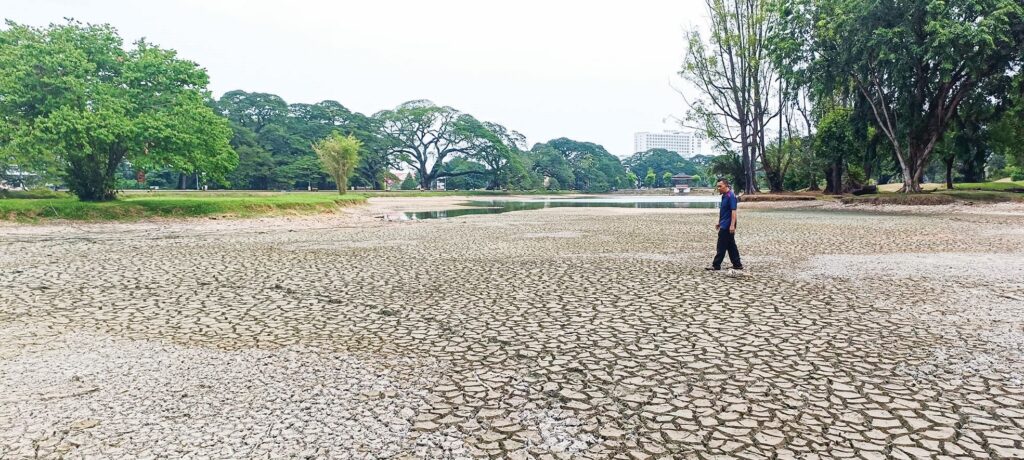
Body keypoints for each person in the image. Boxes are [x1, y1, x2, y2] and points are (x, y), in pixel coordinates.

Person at [706, 179, 743, 271]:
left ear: (726, 186)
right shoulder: (724, 196)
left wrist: (732, 225)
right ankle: (737, 264)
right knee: (731, 245)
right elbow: (723, 211)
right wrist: (719, 222)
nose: (718, 188)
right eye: (717, 186)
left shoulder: (731, 196)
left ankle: (716, 265)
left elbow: (733, 211)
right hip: (723, 223)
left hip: (727, 225)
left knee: (721, 245)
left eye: (720, 186)